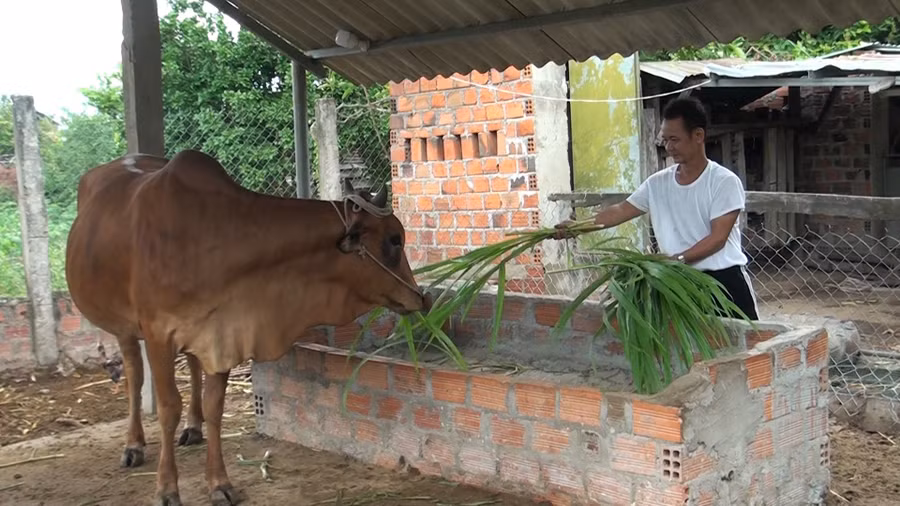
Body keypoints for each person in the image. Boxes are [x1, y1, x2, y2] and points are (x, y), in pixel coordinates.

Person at [554, 96, 759, 321]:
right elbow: (621, 210)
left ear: (698, 135)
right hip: (677, 283)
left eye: (675, 140)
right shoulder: (657, 184)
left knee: (746, 350)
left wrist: (677, 259)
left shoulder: (723, 182)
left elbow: (717, 239)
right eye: (665, 140)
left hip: (724, 284)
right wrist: (579, 227)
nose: (669, 147)